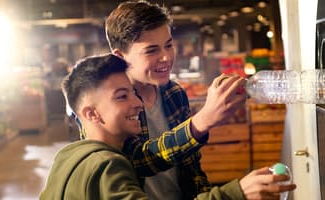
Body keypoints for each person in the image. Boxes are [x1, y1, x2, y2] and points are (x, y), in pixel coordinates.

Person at [104, 1, 295, 199]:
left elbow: (192, 169)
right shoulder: (106, 103)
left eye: (168, 45)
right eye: (152, 50)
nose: (166, 57)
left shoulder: (174, 93)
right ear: (120, 57)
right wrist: (203, 120)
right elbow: (138, 161)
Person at [40, 54, 296, 199]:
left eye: (132, 93)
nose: (137, 103)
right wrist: (236, 192)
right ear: (91, 114)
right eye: (122, 96)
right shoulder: (107, 166)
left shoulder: (67, 158)